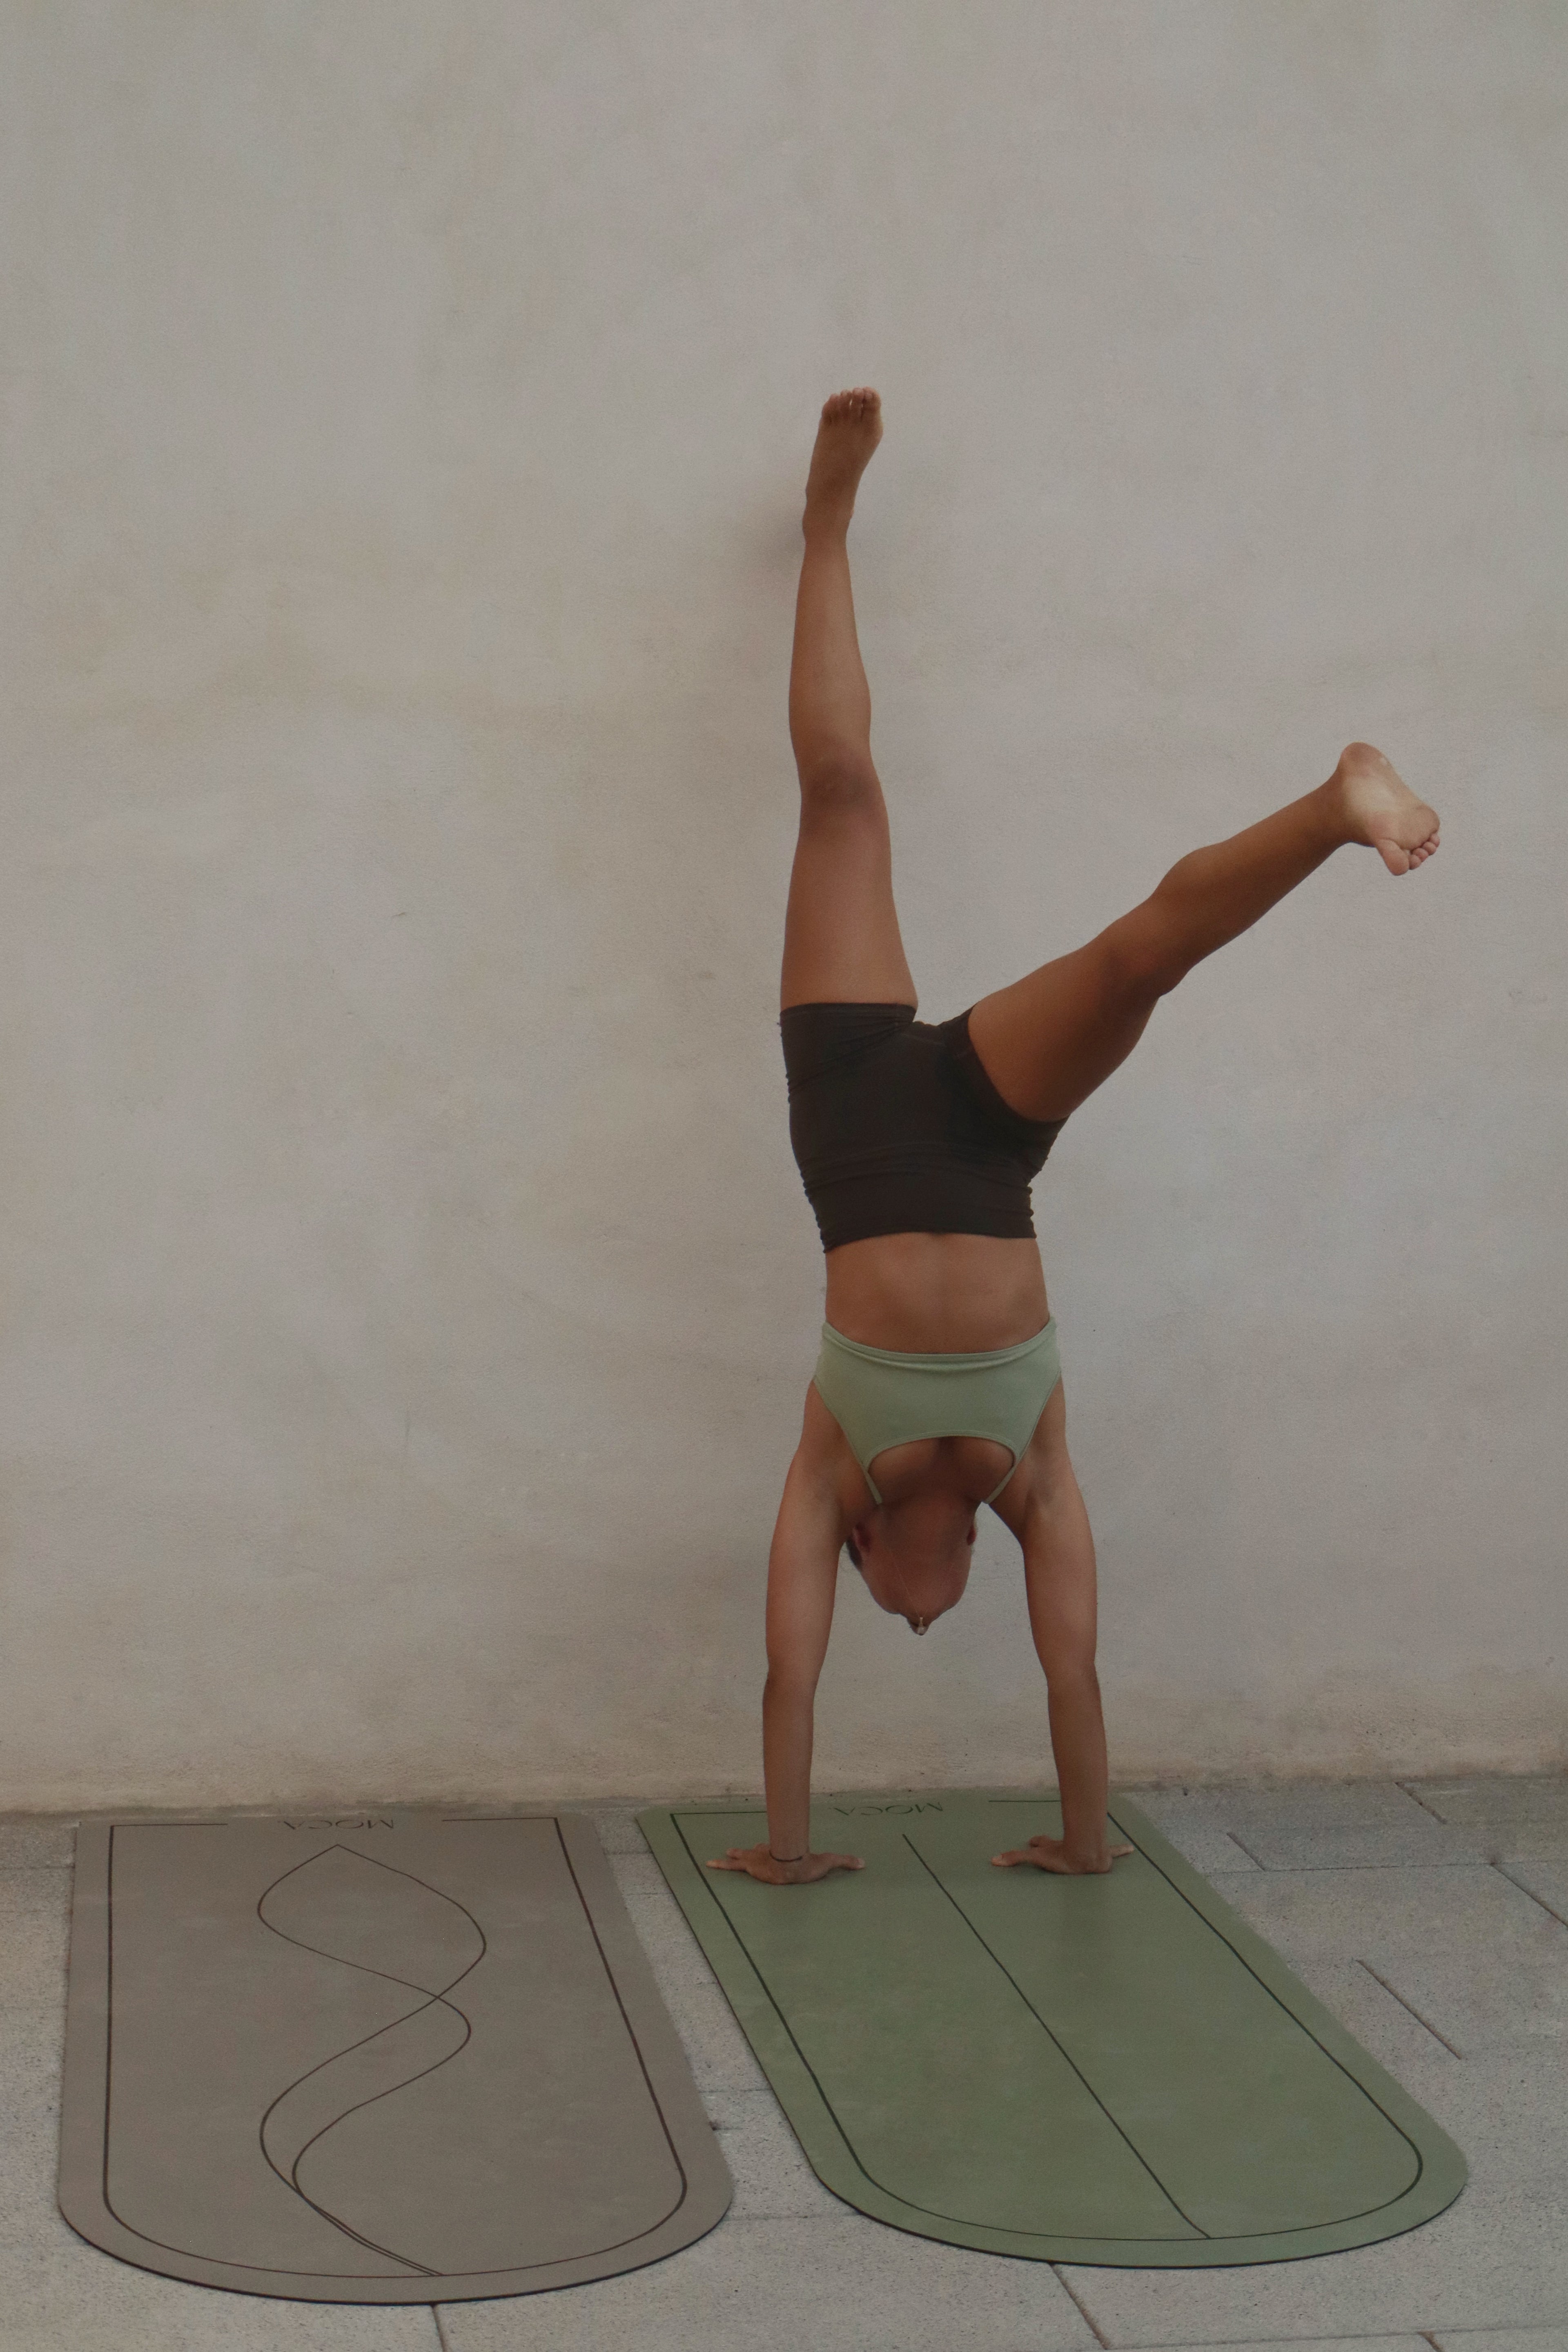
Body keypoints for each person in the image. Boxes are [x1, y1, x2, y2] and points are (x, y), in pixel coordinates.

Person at [710, 388, 1440, 1891]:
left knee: (842, 797)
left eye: (920, 1602)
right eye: (959, 1595)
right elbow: (1075, 1681)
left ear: (869, 1570)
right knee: (1134, 967)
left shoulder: (827, 1476)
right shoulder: (1035, 1479)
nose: (941, 1596)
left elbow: (790, 1682)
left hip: (847, 1112)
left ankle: (826, 525)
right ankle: (1331, 805)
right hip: (985, 1143)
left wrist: (787, 1852)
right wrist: (1088, 1843)